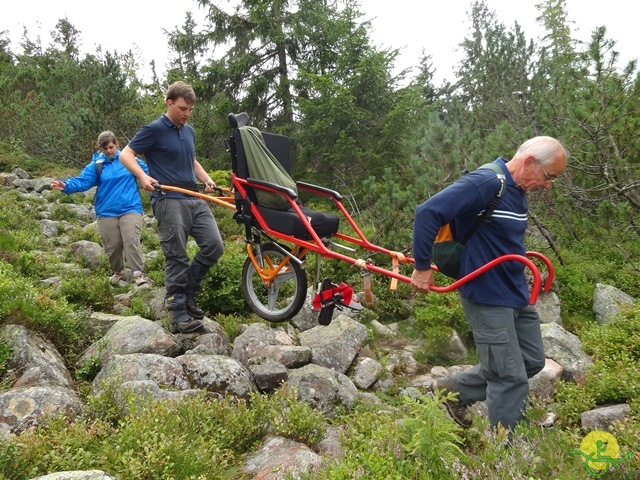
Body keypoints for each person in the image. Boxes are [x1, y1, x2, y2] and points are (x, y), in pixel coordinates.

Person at [411, 136, 568, 431]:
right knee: (508, 377)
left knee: (531, 361)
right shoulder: (486, 182)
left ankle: (452, 391)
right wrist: (421, 267)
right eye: (549, 177)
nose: (548, 186)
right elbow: (428, 212)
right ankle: (510, 457)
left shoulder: (518, 189)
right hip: (486, 294)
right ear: (530, 162)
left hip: (515, 292)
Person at [119, 81, 223, 334]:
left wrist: (207, 180)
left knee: (214, 245)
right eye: (182, 108)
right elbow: (126, 154)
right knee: (176, 254)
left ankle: (188, 293)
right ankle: (177, 313)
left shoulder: (188, 131)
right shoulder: (153, 129)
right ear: (170, 103)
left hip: (193, 197)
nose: (187, 113)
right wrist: (143, 177)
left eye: (190, 109)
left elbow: (192, 160)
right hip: (168, 198)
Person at [50, 131, 150, 287]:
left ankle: (138, 274)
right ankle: (118, 272)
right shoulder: (97, 165)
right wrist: (66, 186)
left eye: (111, 147)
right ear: (101, 149)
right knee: (113, 245)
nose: (109, 151)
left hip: (131, 207)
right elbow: (83, 181)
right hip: (106, 211)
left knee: (130, 240)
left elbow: (149, 173)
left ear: (117, 144)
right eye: (105, 148)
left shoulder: (130, 160)